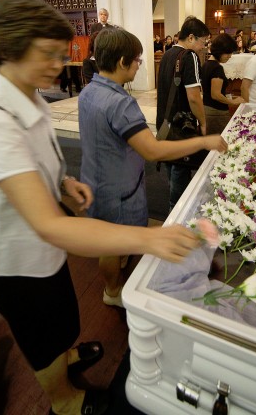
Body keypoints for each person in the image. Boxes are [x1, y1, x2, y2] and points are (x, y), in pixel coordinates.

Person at [0, 0, 203, 415]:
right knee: (40, 332)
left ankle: (64, 356)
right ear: (11, 51)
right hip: (15, 260)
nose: (60, 63)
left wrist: (64, 181)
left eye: (61, 53)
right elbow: (50, 225)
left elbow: (35, 161)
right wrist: (148, 239)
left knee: (62, 315)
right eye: (48, 54)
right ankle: (63, 400)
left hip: (43, 250)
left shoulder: (30, 97)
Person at [79, 28, 227, 307]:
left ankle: (120, 261)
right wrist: (202, 141)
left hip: (95, 177)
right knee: (111, 244)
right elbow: (152, 151)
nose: (139, 65)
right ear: (122, 61)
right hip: (117, 187)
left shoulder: (89, 90)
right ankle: (113, 291)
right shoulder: (120, 103)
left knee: (111, 238)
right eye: (137, 60)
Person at [156, 16, 210, 211]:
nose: (204, 47)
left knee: (171, 170)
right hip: (181, 127)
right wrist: (203, 122)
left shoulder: (167, 54)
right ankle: (177, 219)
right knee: (180, 186)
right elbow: (194, 97)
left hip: (165, 123)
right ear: (191, 37)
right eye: (203, 42)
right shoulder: (189, 56)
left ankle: (173, 212)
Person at [201, 34, 245, 134]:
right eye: (228, 53)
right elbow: (215, 95)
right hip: (216, 112)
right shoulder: (217, 68)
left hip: (207, 109)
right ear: (219, 51)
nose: (230, 56)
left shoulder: (206, 64)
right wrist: (233, 102)